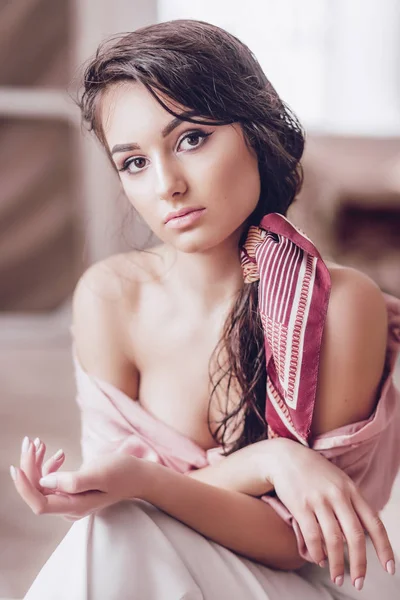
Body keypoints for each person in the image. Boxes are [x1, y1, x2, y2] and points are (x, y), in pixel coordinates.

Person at [10, 19, 400, 599]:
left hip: (300, 583)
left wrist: (141, 482)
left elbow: (302, 546)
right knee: (114, 528)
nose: (167, 184)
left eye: (191, 138)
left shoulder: (339, 304)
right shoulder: (112, 298)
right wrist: (266, 462)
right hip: (149, 568)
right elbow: (117, 497)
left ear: (255, 130)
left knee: (118, 527)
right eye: (134, 162)